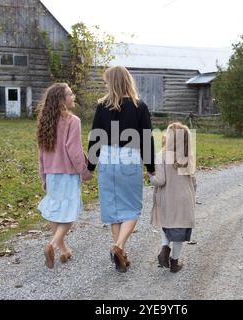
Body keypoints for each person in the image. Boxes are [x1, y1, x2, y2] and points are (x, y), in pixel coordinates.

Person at [87, 66, 155, 273]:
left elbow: (95, 137)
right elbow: (146, 139)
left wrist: (90, 166)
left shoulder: (102, 106)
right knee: (133, 208)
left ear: (112, 82)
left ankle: (121, 253)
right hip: (129, 158)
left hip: (107, 158)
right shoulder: (139, 106)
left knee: (113, 208)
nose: (105, 84)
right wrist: (151, 168)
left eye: (106, 81)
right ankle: (118, 247)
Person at [37, 83, 93, 269]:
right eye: (70, 94)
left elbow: (41, 153)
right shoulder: (72, 120)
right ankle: (52, 245)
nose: (73, 96)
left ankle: (63, 250)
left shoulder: (45, 120)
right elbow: (74, 150)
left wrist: (43, 177)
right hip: (68, 174)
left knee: (54, 210)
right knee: (69, 213)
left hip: (52, 173)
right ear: (61, 100)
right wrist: (84, 172)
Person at [148, 122, 197, 273]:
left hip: (167, 198)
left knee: (166, 223)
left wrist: (150, 177)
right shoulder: (188, 157)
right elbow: (193, 180)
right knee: (179, 232)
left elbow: (160, 180)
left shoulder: (161, 156)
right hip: (184, 199)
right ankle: (174, 262)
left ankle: (164, 247)